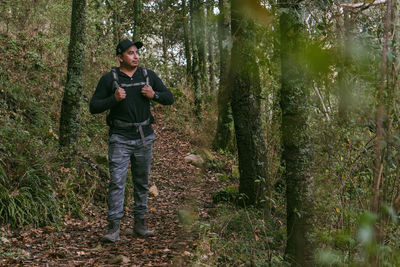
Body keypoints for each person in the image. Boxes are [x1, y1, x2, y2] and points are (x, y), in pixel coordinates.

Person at [89, 39, 174, 242]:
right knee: (117, 182)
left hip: (144, 137)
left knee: (142, 182)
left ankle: (140, 224)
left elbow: (169, 97)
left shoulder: (148, 75)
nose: (135, 56)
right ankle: (114, 228)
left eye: (136, 52)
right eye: (130, 53)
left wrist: (154, 95)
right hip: (120, 138)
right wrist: (113, 99)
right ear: (120, 57)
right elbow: (94, 107)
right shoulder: (110, 79)